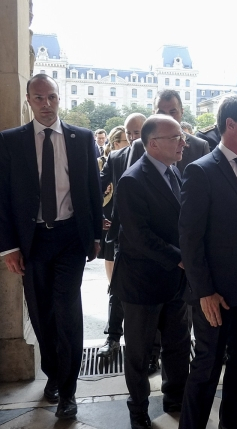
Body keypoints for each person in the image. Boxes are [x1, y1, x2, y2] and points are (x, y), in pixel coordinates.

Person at [0, 74, 103, 419]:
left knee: (68, 312)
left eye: (52, 97)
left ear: (60, 99)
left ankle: (68, 391)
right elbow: (2, 199)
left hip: (70, 238)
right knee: (42, 315)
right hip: (33, 242)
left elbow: (92, 188)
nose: (46, 104)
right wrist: (9, 247)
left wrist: (97, 237)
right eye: (39, 97)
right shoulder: (10, 141)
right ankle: (53, 373)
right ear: (28, 100)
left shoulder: (81, 138)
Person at [178, 96, 237, 429]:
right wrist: (204, 292)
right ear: (230, 125)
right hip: (215, 296)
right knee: (207, 368)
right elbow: (190, 239)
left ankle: (228, 423)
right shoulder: (200, 171)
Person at [110, 114, 190, 429]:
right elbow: (137, 237)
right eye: (177, 137)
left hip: (174, 281)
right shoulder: (132, 180)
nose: (183, 142)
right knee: (140, 353)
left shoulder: (176, 172)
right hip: (142, 282)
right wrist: (181, 258)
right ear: (153, 143)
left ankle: (175, 399)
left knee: (178, 344)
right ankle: (138, 409)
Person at [97, 122, 138, 358]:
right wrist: (98, 217)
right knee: (117, 288)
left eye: (138, 133)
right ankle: (112, 338)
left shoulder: (167, 156)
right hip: (121, 235)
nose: (133, 138)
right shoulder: (116, 157)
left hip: (155, 238)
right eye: (129, 133)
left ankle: (152, 351)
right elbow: (96, 187)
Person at [129, 90, 209, 171]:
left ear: (182, 111)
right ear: (153, 113)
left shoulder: (200, 147)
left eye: (172, 112)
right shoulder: (139, 146)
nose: (167, 117)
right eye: (161, 113)